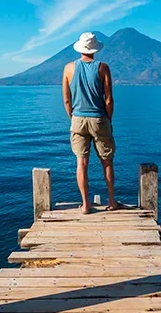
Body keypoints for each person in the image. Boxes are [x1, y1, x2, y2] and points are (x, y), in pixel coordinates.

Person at [62, 32, 118, 214]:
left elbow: (66, 100)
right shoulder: (103, 68)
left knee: (81, 163)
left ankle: (85, 205)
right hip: (99, 118)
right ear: (95, 49)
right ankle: (111, 201)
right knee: (107, 161)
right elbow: (108, 99)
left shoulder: (68, 68)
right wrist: (108, 119)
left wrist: (73, 118)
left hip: (78, 119)